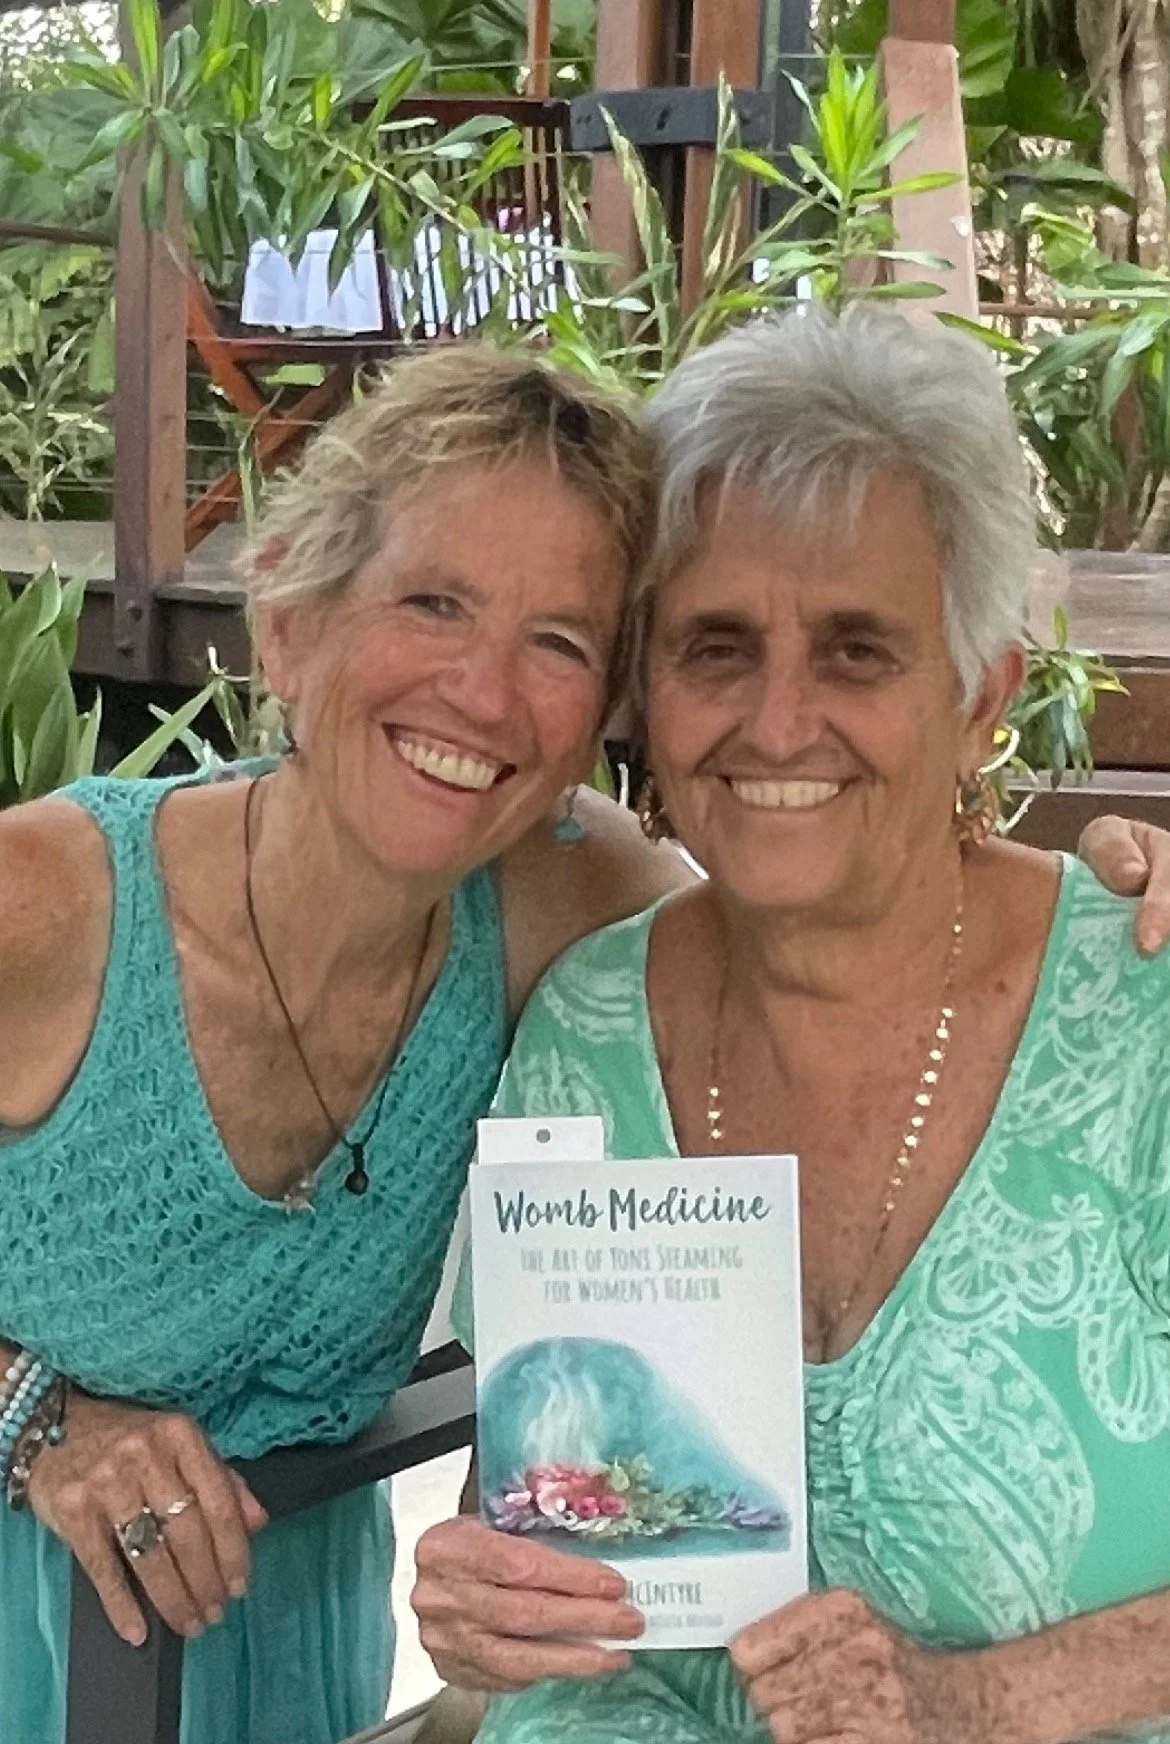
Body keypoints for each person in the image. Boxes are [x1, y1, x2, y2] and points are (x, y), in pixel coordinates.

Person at [415, 307, 1170, 1744]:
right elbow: (558, 1496)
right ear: (645, 689)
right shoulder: (584, 1020)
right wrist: (487, 1597)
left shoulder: (1141, 1013)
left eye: (856, 652)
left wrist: (965, 1702)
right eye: (715, 647)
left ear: (977, 697)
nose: (772, 723)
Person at [0, 349, 693, 1744]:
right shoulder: (50, 909)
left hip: (294, 1663)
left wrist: (1106, 905)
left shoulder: (567, 895)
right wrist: (39, 1413)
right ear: (291, 624)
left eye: (557, 642)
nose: (485, 695)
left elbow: (833, 967)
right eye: (433, 601)